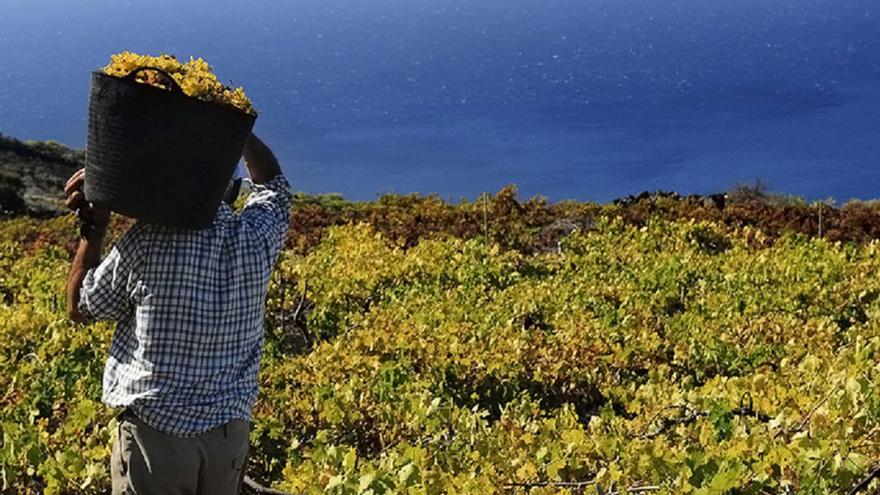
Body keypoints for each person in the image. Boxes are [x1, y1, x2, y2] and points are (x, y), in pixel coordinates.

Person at [64, 133, 293, 495]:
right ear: (231, 189)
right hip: (226, 439)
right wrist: (237, 130)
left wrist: (95, 228)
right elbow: (274, 186)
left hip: (157, 439)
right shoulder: (257, 238)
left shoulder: (146, 242)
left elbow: (79, 305)